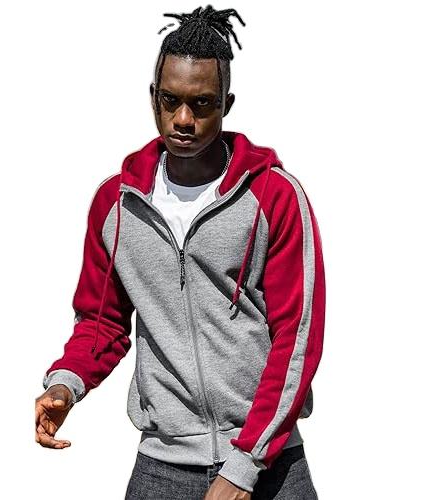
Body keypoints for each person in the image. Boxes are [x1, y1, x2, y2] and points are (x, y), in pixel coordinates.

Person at [35, 5, 326, 499]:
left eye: (202, 103)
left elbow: (296, 338)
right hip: (163, 466)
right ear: (153, 97)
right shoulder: (117, 204)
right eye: (170, 101)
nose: (184, 119)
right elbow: (102, 320)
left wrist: (244, 464)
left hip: (270, 464)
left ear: (227, 104)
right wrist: (66, 384)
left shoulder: (274, 197)